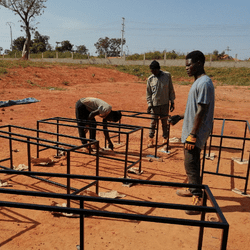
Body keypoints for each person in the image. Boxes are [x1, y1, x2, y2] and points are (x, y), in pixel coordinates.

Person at [168, 51, 215, 215]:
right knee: (191, 162)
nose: (187, 68)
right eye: (186, 65)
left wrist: (193, 134)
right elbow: (195, 109)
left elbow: (202, 110)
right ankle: (191, 188)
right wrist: (180, 117)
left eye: (189, 65)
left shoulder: (204, 83)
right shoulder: (198, 82)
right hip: (191, 128)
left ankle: (198, 200)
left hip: (196, 131)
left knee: (191, 163)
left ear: (200, 63)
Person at [146, 60, 175, 148]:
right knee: (153, 122)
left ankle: (165, 138)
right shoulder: (150, 79)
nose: (153, 72)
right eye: (151, 71)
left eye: (154, 70)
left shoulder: (167, 76)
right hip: (155, 105)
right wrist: (149, 105)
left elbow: (171, 89)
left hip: (165, 104)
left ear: (158, 69)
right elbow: (148, 94)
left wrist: (172, 102)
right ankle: (151, 139)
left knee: (164, 122)